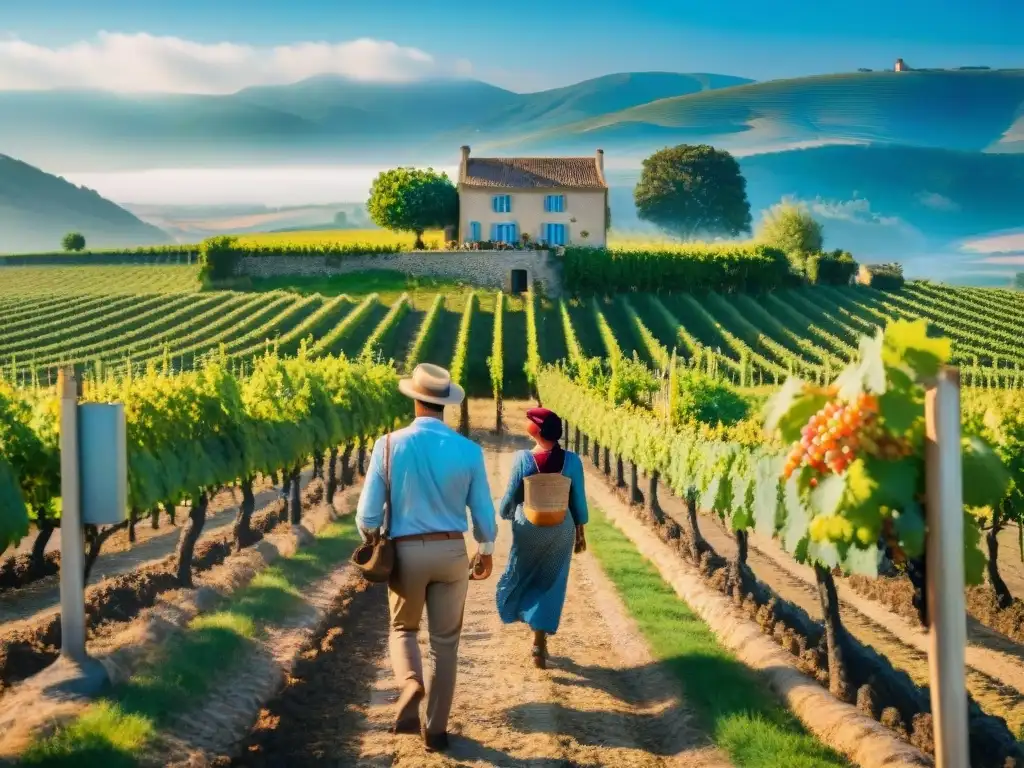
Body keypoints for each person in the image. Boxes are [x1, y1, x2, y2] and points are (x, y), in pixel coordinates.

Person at [356, 363, 497, 753]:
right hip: (452, 552)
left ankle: (410, 683)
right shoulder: (468, 451)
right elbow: (483, 513)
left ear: (415, 400)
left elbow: (368, 516)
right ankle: (435, 732)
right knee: (445, 645)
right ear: (444, 405)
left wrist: (373, 539)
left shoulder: (388, 445)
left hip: (406, 553)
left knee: (403, 630)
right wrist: (484, 550)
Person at [495, 407, 588, 669]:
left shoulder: (523, 459)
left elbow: (512, 494)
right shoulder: (572, 461)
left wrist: (505, 512)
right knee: (552, 579)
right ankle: (539, 641)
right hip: (561, 527)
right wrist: (580, 526)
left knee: (523, 573)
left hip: (529, 527)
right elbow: (578, 499)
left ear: (536, 430)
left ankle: (525, 613)